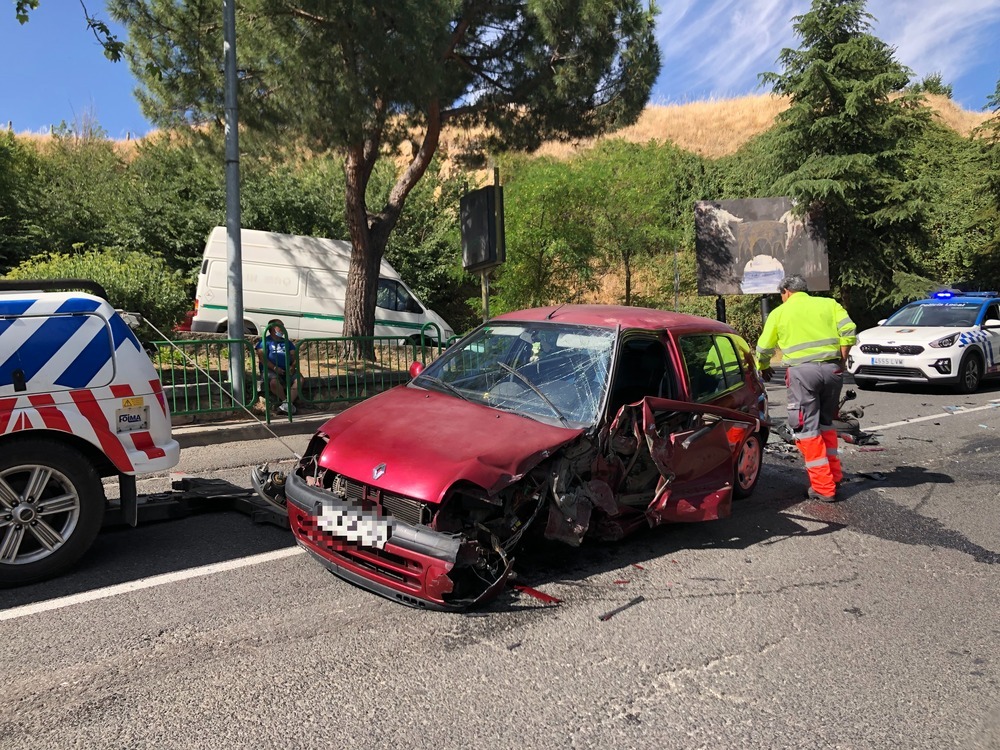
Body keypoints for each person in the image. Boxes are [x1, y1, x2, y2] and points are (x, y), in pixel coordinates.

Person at [756, 275, 857, 501]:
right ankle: (834, 476)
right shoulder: (829, 304)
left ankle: (823, 487)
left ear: (786, 292)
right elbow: (849, 331)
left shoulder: (779, 313)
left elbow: (763, 348)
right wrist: (841, 361)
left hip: (803, 374)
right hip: (832, 372)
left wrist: (762, 367)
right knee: (826, 424)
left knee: (806, 429)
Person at [256, 319, 300, 414]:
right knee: (273, 382)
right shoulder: (265, 341)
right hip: (270, 370)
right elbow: (262, 358)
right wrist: (275, 368)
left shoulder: (287, 342)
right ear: (272, 328)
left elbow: (294, 356)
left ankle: (287, 405)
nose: (283, 329)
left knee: (299, 380)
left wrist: (292, 366)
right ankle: (286, 402)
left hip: (286, 368)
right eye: (280, 326)